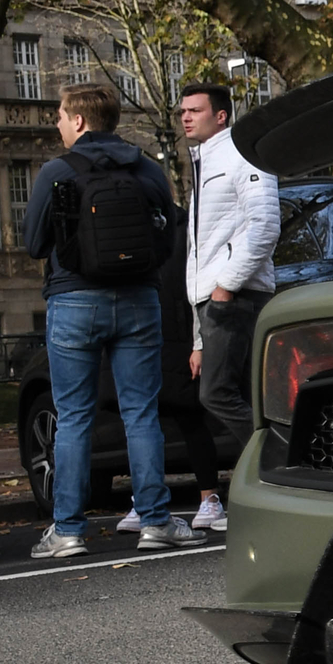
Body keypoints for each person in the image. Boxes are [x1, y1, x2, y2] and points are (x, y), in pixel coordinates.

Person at [21, 82, 202, 555]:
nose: (58, 123)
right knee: (141, 413)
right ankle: (156, 522)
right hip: (140, 300)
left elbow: (34, 243)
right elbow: (169, 236)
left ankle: (68, 530)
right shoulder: (146, 167)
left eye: (61, 116)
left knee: (75, 417)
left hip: (74, 301)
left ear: (79, 121)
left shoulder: (55, 171)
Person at [179, 82, 277, 529]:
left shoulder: (242, 155)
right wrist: (199, 337)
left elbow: (264, 224)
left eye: (195, 110)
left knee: (216, 393)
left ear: (220, 116)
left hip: (234, 297)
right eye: (182, 111)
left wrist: (226, 286)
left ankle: (272, 466)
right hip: (214, 301)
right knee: (237, 393)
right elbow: (200, 247)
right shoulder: (203, 162)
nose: (185, 117)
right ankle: (267, 480)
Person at [116, 217, 222, 535]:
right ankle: (145, 499)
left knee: (188, 416)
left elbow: (193, 286)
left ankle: (209, 497)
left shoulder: (180, 227)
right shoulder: (135, 229)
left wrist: (199, 342)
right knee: (145, 420)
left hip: (175, 333)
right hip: (144, 331)